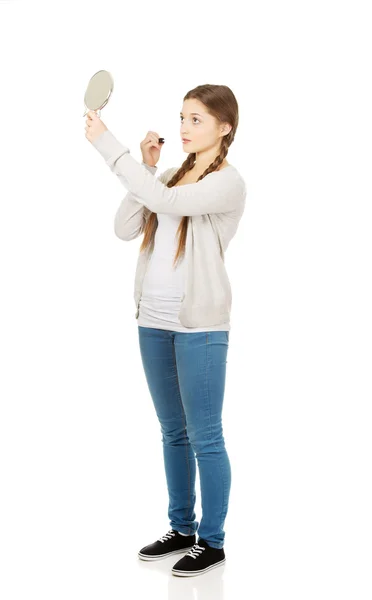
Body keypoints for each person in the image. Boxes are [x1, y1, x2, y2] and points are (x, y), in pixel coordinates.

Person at [85, 84, 247, 577]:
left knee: (206, 435)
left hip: (198, 326)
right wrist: (148, 166)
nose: (183, 127)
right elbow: (125, 226)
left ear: (225, 128)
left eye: (196, 119)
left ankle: (212, 541)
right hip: (151, 321)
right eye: (182, 117)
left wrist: (108, 145)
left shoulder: (228, 183)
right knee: (173, 432)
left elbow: (162, 201)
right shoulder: (173, 176)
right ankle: (181, 529)